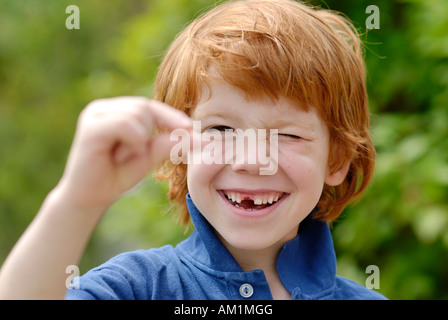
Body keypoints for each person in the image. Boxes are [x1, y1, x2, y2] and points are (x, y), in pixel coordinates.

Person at [0, 0, 386, 300]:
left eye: (287, 135)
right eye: (220, 129)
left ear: (336, 158)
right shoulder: (136, 287)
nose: (251, 160)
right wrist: (77, 201)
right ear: (178, 145)